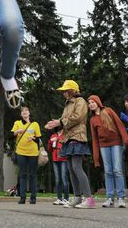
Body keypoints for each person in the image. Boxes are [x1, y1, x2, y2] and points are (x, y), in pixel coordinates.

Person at [45, 80, 95, 209]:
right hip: (67, 138)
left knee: (77, 167)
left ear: (73, 91)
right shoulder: (67, 104)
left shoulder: (81, 101)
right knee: (71, 169)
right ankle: (78, 198)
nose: (64, 93)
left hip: (78, 137)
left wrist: (59, 122)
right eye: (63, 91)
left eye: (66, 91)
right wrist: (57, 123)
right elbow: (64, 121)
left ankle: (89, 199)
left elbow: (78, 117)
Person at [88, 95, 128, 208]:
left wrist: (125, 138)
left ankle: (121, 198)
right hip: (103, 146)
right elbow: (94, 139)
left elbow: (119, 124)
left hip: (116, 143)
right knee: (108, 171)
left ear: (98, 102)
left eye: (93, 102)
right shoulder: (92, 120)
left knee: (117, 169)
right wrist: (96, 157)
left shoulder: (108, 111)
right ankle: (109, 198)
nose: (91, 104)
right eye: (89, 103)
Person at [11, 106, 42, 204]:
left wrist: (33, 139)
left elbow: (39, 140)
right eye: (22, 111)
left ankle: (33, 198)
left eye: (26, 111)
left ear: (29, 113)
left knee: (32, 175)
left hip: (33, 152)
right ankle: (22, 197)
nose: (24, 112)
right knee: (23, 174)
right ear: (21, 114)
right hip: (21, 152)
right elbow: (10, 136)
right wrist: (17, 131)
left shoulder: (35, 124)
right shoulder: (17, 123)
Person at [47, 127, 69, 205]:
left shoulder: (66, 135)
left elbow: (67, 146)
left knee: (64, 178)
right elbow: (49, 149)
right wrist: (50, 142)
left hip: (64, 159)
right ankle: (59, 198)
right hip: (55, 159)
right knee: (57, 179)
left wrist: (59, 140)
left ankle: (66, 198)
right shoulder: (53, 135)